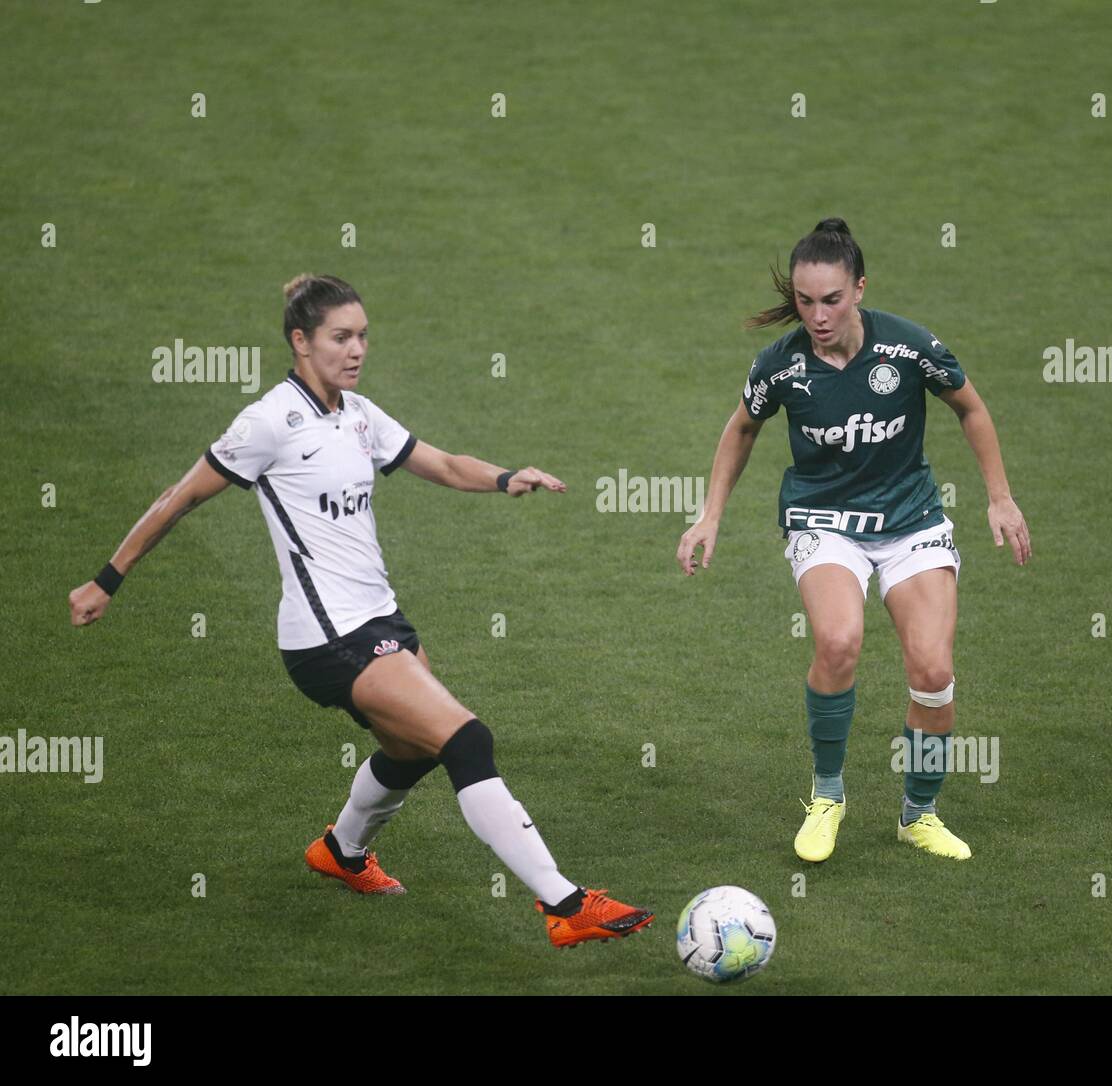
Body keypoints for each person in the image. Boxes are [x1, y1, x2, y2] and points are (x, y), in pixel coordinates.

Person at [68, 274, 653, 948]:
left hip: (381, 620)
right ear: (300, 341)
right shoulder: (267, 423)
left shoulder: (357, 413)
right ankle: (564, 904)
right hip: (325, 639)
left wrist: (504, 477)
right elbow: (181, 495)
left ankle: (340, 854)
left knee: (411, 751)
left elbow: (439, 461)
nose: (356, 350)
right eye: (340, 337)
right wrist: (107, 578)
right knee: (467, 739)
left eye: (362, 336)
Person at [676, 219, 1031, 863]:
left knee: (933, 669)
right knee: (839, 641)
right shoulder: (781, 366)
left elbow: (970, 408)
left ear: (859, 289)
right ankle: (828, 794)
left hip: (911, 521)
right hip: (823, 520)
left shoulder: (910, 349)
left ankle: (918, 814)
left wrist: (999, 496)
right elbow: (741, 430)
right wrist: (710, 516)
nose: (817, 315)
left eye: (831, 300)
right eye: (806, 301)